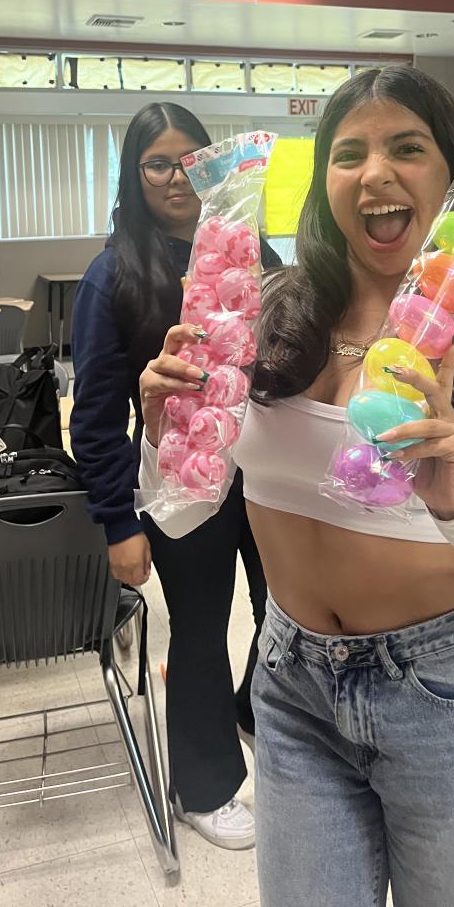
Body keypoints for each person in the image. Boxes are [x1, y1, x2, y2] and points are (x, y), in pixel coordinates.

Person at [138, 67, 454, 907]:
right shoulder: (262, 322)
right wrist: (164, 432)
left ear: (451, 177)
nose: (375, 172)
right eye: (349, 154)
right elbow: (186, 512)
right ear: (324, 185)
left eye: (406, 148)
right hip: (292, 686)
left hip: (450, 697)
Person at [71, 102, 280, 850]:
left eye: (190, 159)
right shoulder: (113, 275)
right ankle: (204, 785)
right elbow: (95, 414)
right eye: (157, 163)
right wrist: (117, 523)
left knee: (287, 612)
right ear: (134, 175)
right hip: (181, 480)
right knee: (198, 629)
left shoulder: (251, 251)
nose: (176, 177)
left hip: (268, 473)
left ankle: (254, 708)